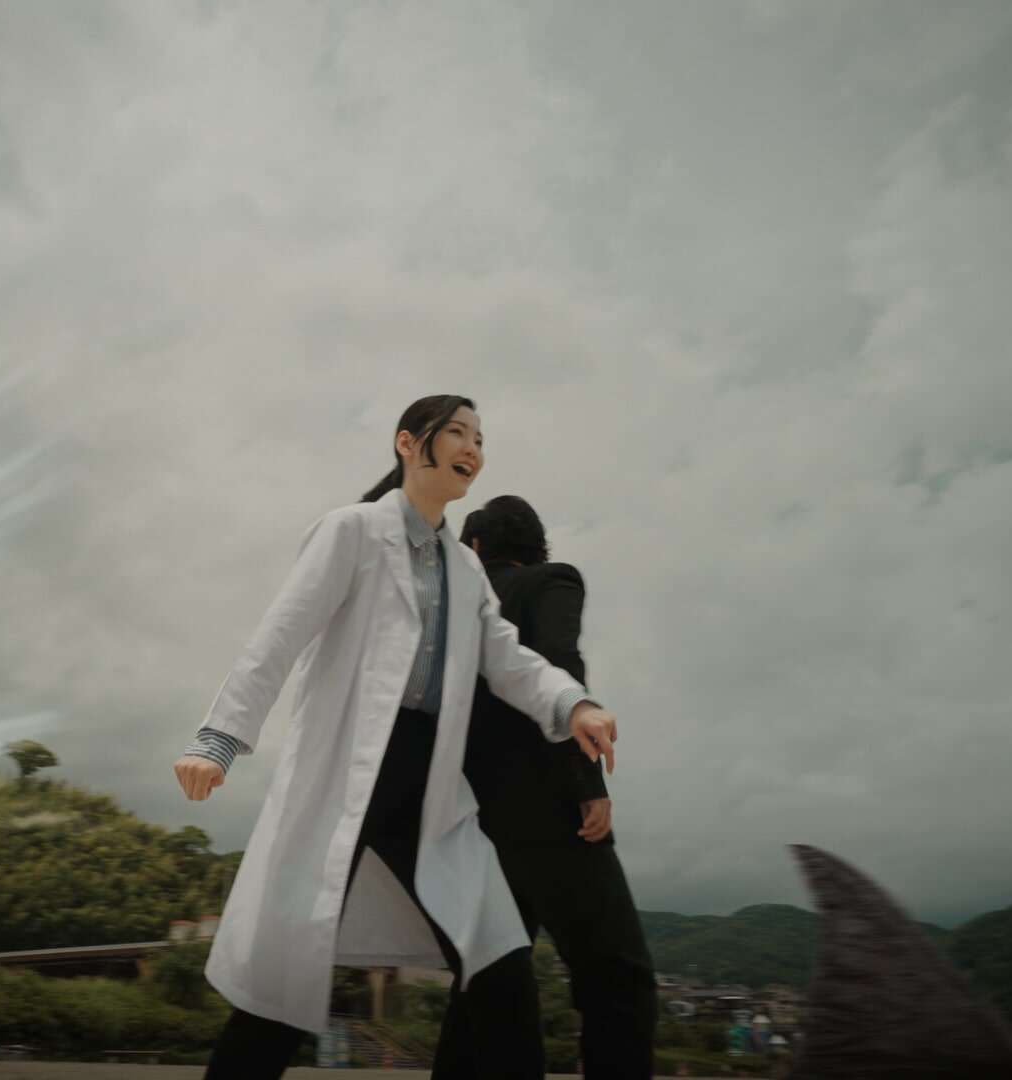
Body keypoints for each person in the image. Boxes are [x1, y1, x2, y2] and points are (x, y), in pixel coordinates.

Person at [172, 395, 620, 1079]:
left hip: (428, 783)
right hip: (350, 769)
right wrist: (217, 741)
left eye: (480, 438)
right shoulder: (352, 532)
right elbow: (278, 637)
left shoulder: (464, 569)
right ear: (409, 443)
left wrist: (573, 703)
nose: (472, 448)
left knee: (498, 954)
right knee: (288, 973)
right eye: (458, 432)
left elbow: (507, 658)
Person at [448, 495, 657, 1078]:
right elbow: (559, 661)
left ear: (476, 546)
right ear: (536, 547)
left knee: (486, 984)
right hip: (548, 808)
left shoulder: (450, 605)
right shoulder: (549, 581)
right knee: (617, 976)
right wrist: (588, 782)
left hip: (468, 818)